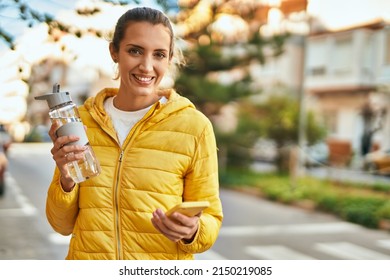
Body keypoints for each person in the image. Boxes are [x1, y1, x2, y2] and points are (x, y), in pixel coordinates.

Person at [45, 6, 223, 260]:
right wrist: (66, 177)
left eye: (159, 54)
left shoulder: (194, 127)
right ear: (114, 52)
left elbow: (210, 223)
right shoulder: (80, 121)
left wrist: (192, 230)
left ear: (169, 59)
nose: (147, 66)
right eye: (135, 51)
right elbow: (60, 225)